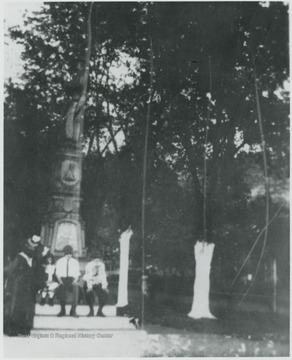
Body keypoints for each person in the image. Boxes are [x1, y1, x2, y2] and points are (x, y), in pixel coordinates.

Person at [4, 235, 40, 336]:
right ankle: (14, 330)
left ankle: (24, 330)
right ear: (26, 247)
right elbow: (11, 272)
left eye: (34, 247)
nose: (32, 249)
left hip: (29, 287)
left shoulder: (33, 259)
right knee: (17, 307)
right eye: (30, 247)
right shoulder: (20, 257)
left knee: (27, 307)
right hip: (18, 286)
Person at [55, 245, 80, 317]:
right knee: (60, 289)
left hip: (72, 279)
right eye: (67, 254)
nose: (69, 255)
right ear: (65, 253)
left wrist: (75, 281)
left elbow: (77, 274)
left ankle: (73, 310)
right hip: (62, 279)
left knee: (77, 288)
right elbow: (57, 273)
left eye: (70, 254)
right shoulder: (60, 261)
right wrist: (60, 281)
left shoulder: (75, 262)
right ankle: (62, 310)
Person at [83, 250, 108, 317]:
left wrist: (104, 286)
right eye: (95, 258)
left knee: (104, 293)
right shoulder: (89, 265)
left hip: (99, 283)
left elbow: (103, 276)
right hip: (90, 282)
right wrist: (89, 286)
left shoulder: (102, 265)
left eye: (98, 258)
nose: (97, 260)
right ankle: (91, 310)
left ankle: (100, 311)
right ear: (92, 258)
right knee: (89, 293)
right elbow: (87, 276)